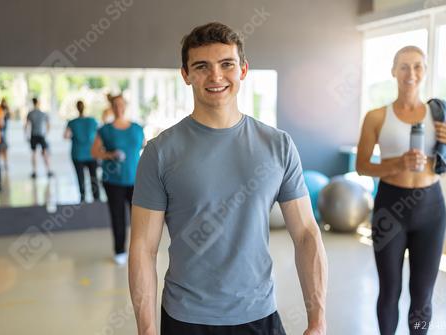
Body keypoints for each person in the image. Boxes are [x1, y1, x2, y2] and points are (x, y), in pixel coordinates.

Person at [128, 22, 327, 335]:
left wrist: (317, 319)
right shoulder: (160, 151)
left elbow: (306, 235)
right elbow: (143, 247)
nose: (216, 76)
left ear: (243, 70)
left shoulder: (278, 145)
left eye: (226, 64)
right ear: (186, 74)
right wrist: (146, 329)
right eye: (202, 66)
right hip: (186, 319)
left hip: (259, 315)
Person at [356, 46, 446, 335]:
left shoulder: (440, 116)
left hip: (431, 209)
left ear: (425, 70)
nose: (410, 73)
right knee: (389, 291)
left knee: (423, 297)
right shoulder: (376, 117)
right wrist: (397, 163)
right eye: (403, 66)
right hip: (391, 207)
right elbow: (362, 166)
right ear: (393, 71)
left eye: (417, 66)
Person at [92, 94, 144, 265]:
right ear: (111, 107)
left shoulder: (137, 128)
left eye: (121, 104)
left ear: (126, 106)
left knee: (139, 219)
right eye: (115, 105)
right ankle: (120, 250)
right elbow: (95, 152)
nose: (119, 107)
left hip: (136, 179)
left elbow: (144, 147)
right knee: (118, 216)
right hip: (113, 181)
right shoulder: (105, 130)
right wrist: (109, 155)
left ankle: (138, 250)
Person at [64, 100, 100, 203]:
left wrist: (75, 137)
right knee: (94, 177)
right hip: (92, 153)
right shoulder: (92, 121)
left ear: (77, 108)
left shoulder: (72, 122)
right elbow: (98, 135)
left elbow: (66, 135)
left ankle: (83, 197)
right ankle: (96, 198)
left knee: (80, 177)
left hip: (77, 154)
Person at [25, 97, 53, 178]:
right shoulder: (43, 113)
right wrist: (46, 133)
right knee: (44, 153)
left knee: (34, 153)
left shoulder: (30, 113)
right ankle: (48, 171)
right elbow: (48, 125)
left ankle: (34, 172)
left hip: (33, 135)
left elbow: (26, 125)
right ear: (38, 103)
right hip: (41, 135)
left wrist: (26, 135)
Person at [0, 97, 11, 171]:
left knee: (4, 149)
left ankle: (5, 163)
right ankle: (2, 163)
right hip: (0, 133)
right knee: (1, 149)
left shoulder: (6, 111)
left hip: (4, 133)